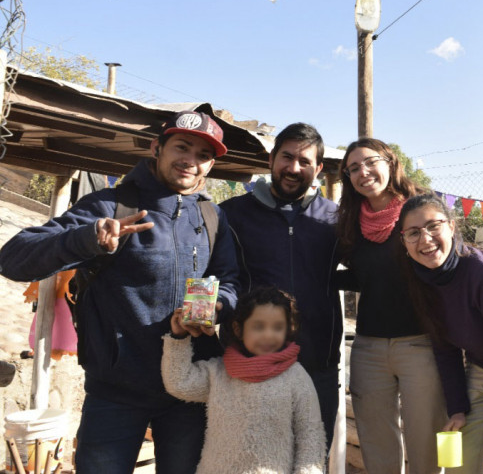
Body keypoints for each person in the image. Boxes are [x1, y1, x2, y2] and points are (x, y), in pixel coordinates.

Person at [0, 110, 240, 474]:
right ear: (156, 147)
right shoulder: (109, 205)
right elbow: (14, 259)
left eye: (203, 155)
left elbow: (230, 280)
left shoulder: (211, 218)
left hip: (190, 391)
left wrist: (218, 306)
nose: (191, 161)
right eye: (182, 147)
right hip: (116, 393)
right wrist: (87, 238)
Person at [219, 122, 341, 449]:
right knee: (252, 460)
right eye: (286, 157)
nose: (293, 168)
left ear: (318, 168)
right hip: (251, 364)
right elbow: (214, 276)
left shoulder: (335, 219)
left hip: (318, 364)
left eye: (304, 162)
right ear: (271, 158)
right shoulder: (230, 215)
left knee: (312, 459)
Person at [335, 138, 448, 474]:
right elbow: (364, 277)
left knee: (427, 438)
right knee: (376, 442)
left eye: (370, 162)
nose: (363, 172)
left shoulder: (420, 209)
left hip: (421, 343)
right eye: (353, 168)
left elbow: (447, 264)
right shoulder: (350, 219)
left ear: (390, 162)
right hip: (369, 346)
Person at [397, 193, 483, 474]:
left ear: (451, 226)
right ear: (404, 242)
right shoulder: (420, 279)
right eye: (414, 233)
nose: (425, 240)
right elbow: (444, 347)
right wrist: (458, 408)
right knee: (457, 466)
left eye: (433, 226)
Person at [162, 285, 326, 474]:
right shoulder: (219, 372)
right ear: (238, 329)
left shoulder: (295, 377)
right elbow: (180, 383)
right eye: (258, 326)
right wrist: (178, 338)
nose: (268, 335)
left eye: (277, 327)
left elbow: (310, 435)